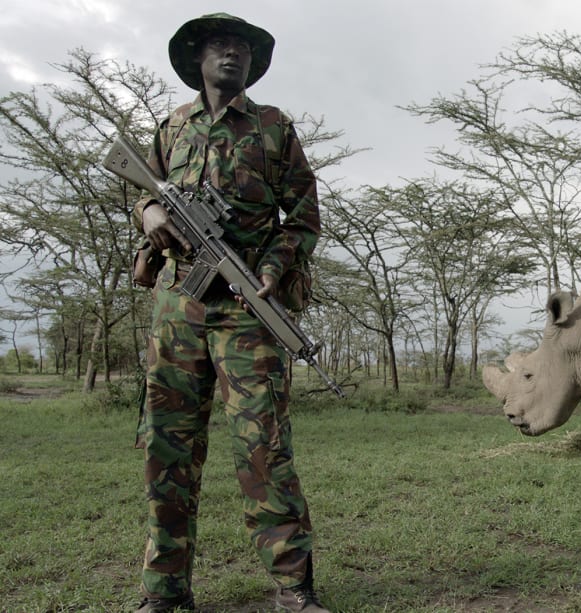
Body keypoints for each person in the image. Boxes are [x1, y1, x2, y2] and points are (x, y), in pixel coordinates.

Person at [131, 13, 328, 613]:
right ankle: (164, 592)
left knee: (264, 446)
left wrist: (274, 265)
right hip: (178, 310)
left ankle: (294, 589)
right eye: (220, 47)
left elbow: (303, 214)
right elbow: (143, 189)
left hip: (249, 309)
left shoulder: (274, 128)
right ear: (198, 59)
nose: (231, 56)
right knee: (167, 449)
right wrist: (150, 217)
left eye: (241, 49)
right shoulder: (171, 127)